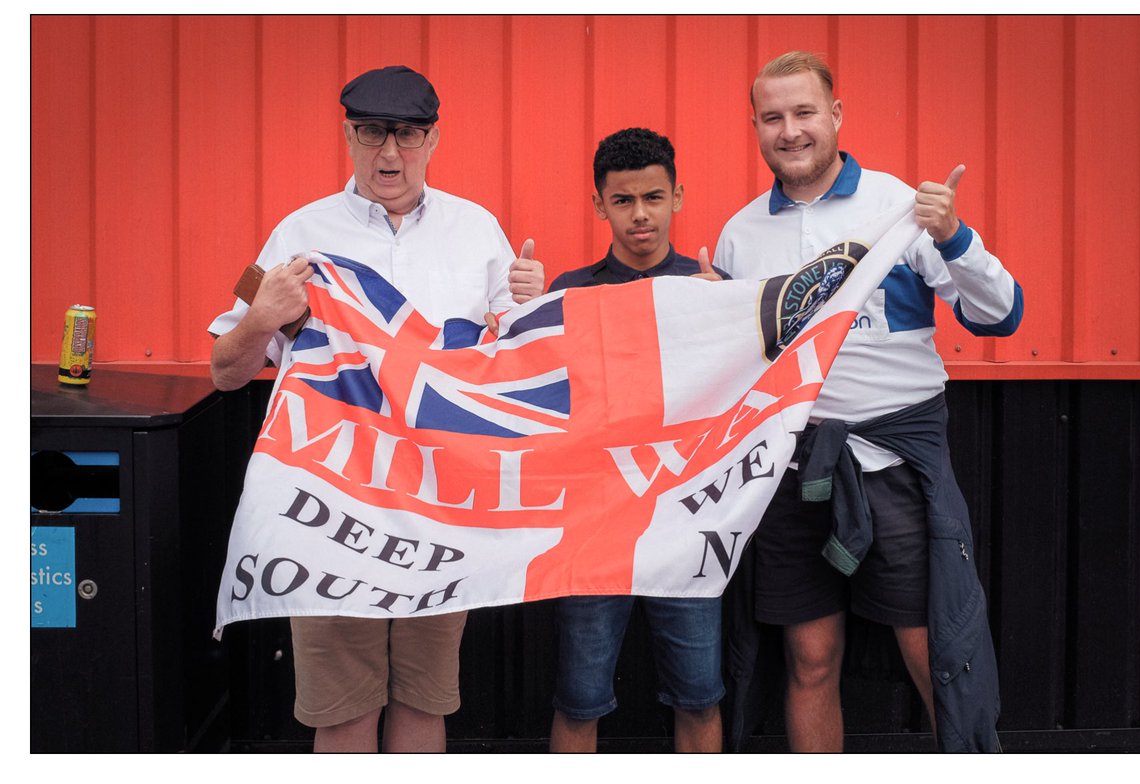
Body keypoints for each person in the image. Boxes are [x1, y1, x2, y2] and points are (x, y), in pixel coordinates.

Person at [208, 64, 544, 752]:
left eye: (409, 135)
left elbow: (518, 364)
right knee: (343, 711)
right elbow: (224, 373)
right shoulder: (300, 233)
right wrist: (260, 319)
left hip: (441, 504)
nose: (390, 153)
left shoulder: (476, 230)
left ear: (434, 139)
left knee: (425, 701)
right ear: (348, 135)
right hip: (330, 506)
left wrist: (531, 304)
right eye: (371, 133)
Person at [714, 51, 1022, 752]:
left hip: (896, 469)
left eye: (803, 113)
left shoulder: (900, 210)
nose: (789, 131)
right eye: (772, 117)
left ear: (836, 116)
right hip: (793, 475)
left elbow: (1000, 315)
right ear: (756, 126)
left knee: (937, 656)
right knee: (810, 660)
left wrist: (955, 236)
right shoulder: (739, 234)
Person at [545, 127, 727, 753]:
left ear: (678, 197)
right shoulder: (566, 293)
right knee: (579, 697)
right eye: (623, 201)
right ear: (600, 205)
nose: (640, 214)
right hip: (593, 529)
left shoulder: (717, 288)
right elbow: (535, 400)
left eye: (654, 196)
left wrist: (721, 317)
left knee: (701, 696)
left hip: (689, 523)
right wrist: (517, 318)